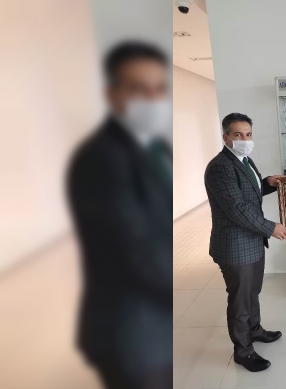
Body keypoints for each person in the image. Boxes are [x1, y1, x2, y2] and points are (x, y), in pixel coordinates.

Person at [67, 42, 172, 389]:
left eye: (159, 89)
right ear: (112, 94)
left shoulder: (156, 147)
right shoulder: (100, 158)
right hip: (134, 333)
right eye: (139, 89)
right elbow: (136, 251)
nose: (152, 99)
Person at [204, 112, 286, 372]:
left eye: (248, 134)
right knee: (240, 300)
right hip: (235, 246)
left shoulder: (245, 160)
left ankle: (254, 330)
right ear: (225, 137)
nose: (245, 139)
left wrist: (268, 183)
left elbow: (249, 192)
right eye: (238, 134)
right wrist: (271, 228)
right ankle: (243, 351)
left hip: (252, 240)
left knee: (252, 292)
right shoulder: (220, 167)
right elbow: (236, 208)